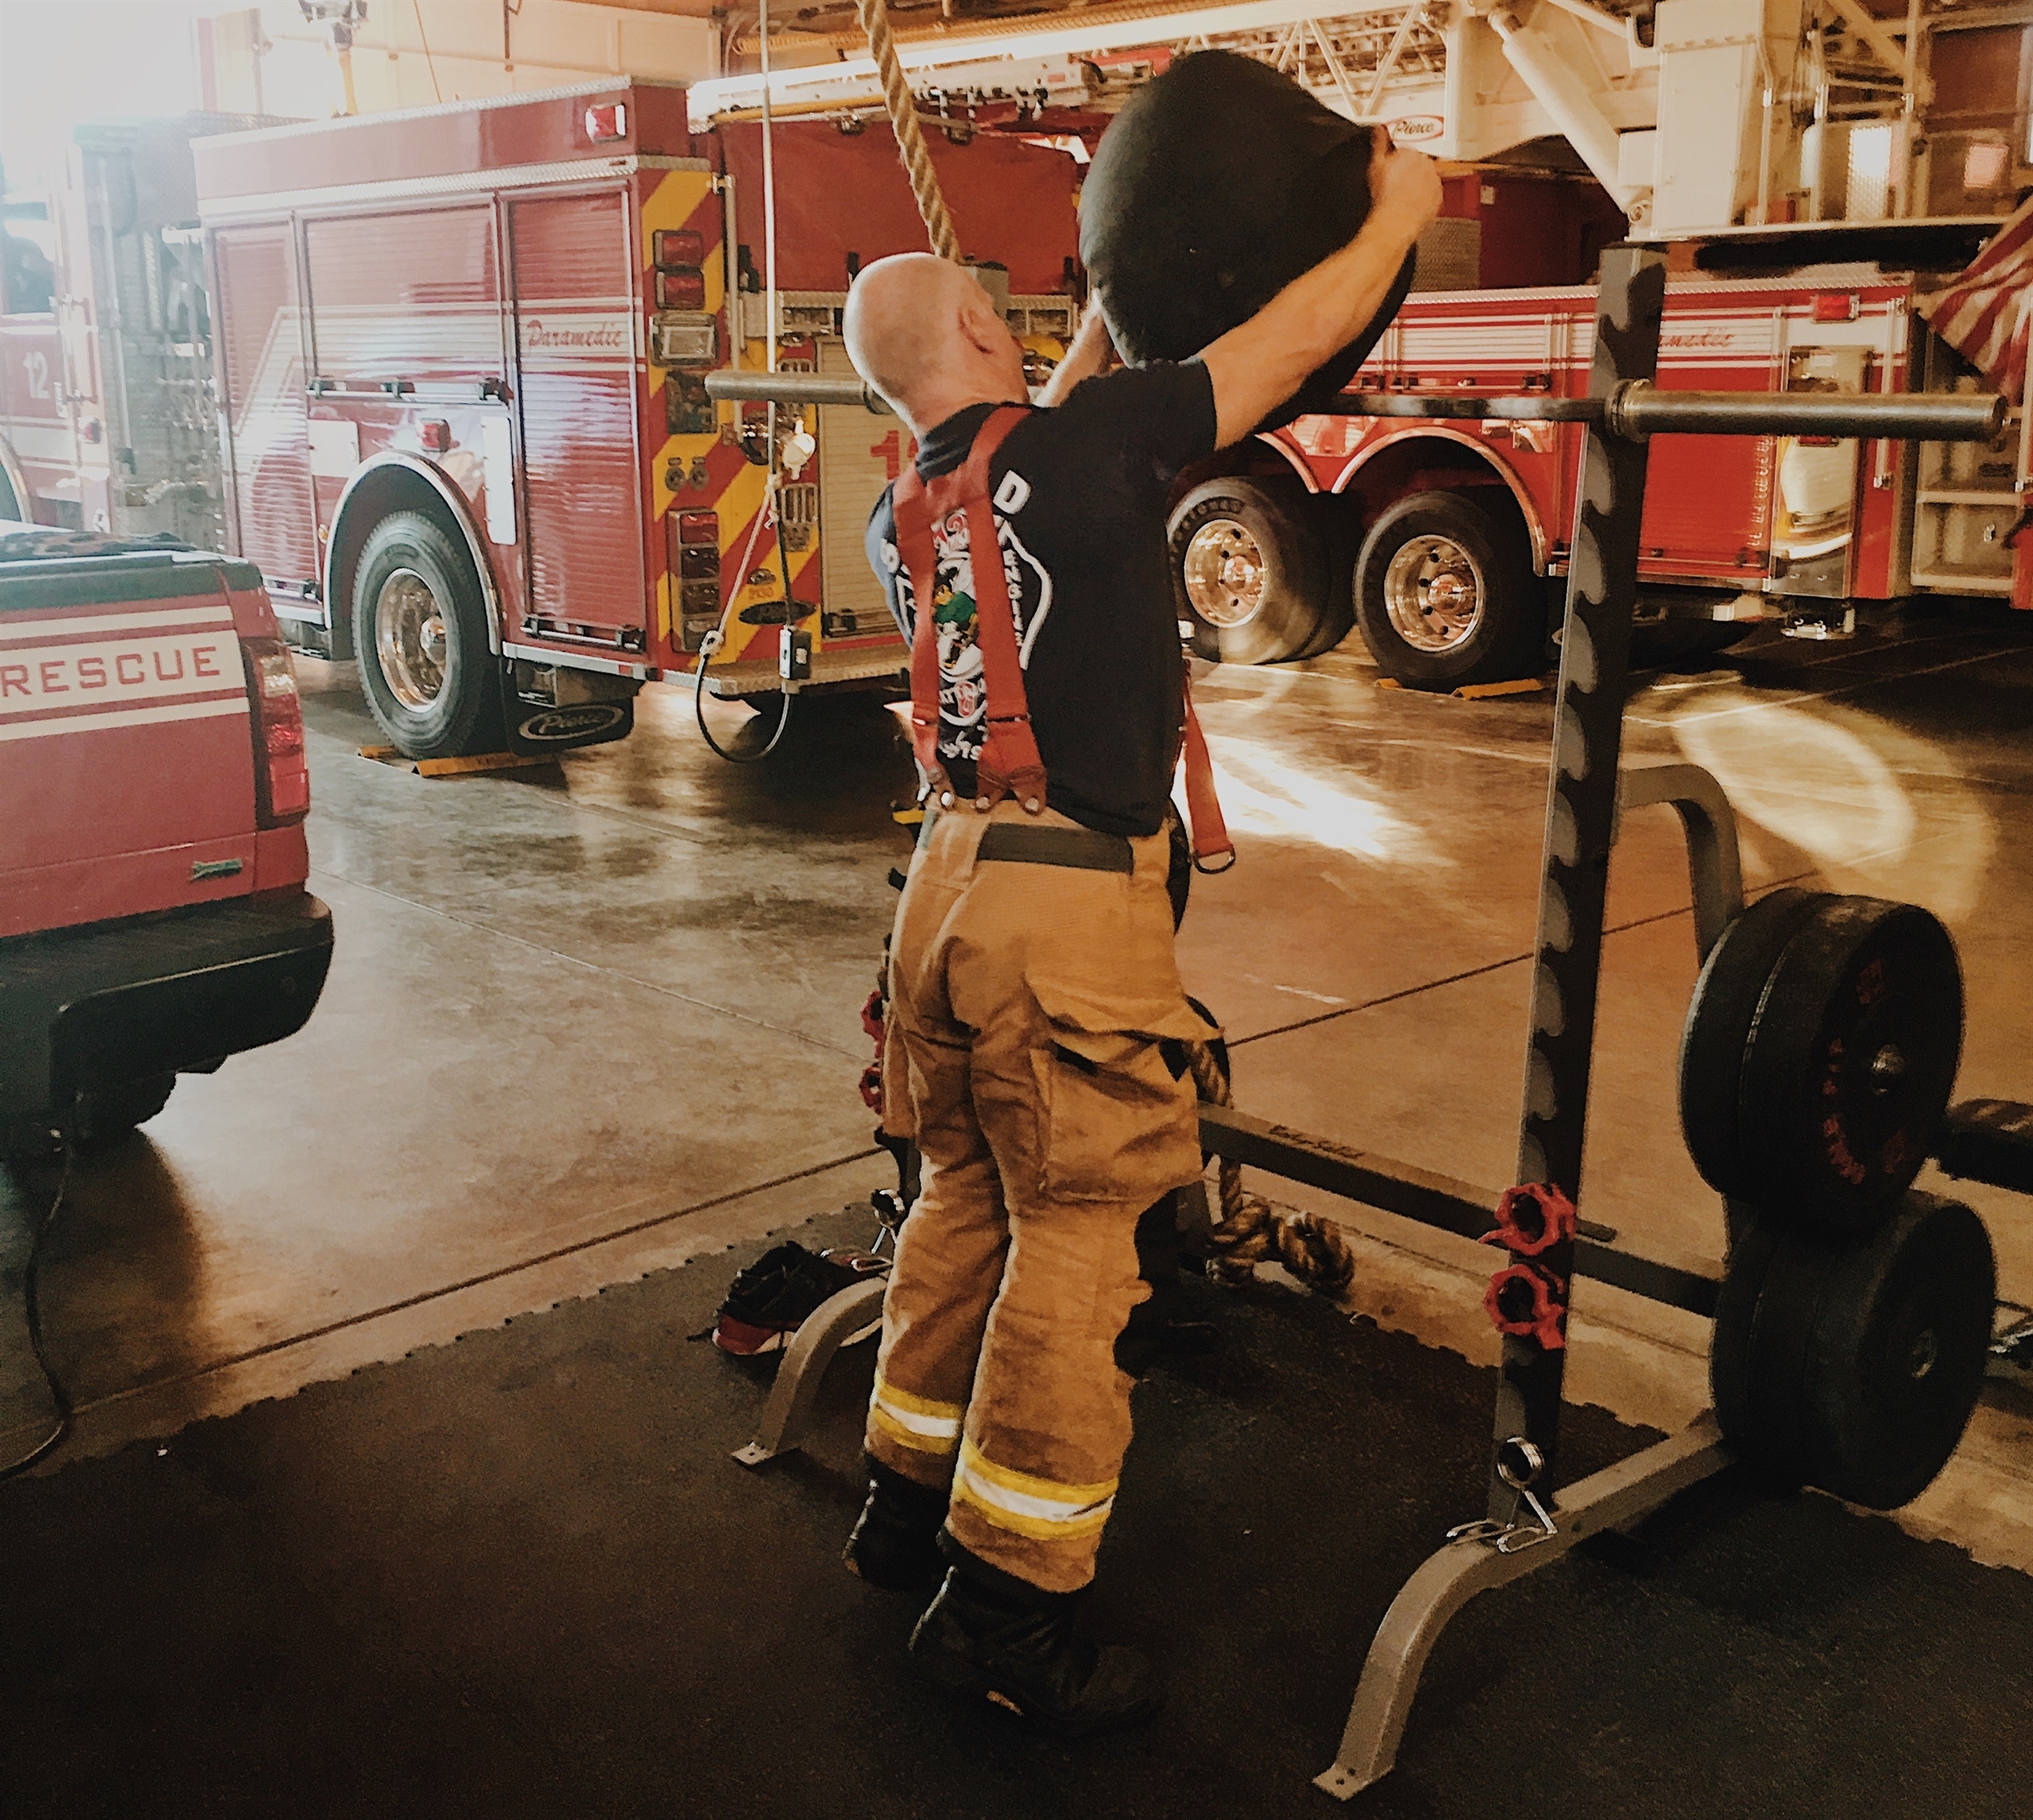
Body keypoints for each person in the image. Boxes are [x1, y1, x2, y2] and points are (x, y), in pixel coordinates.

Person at [838, 128, 1442, 1734]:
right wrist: (1402, 215)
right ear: (980, 339)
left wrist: (1098, 307)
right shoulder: (1091, 443)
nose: (1030, 326)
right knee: (1080, 1240)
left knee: (961, 1194)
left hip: (943, 896)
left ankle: (903, 1503)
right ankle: (1012, 1615)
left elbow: (1053, 408)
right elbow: (1290, 346)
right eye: (1000, 309)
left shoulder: (913, 498)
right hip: (1057, 910)